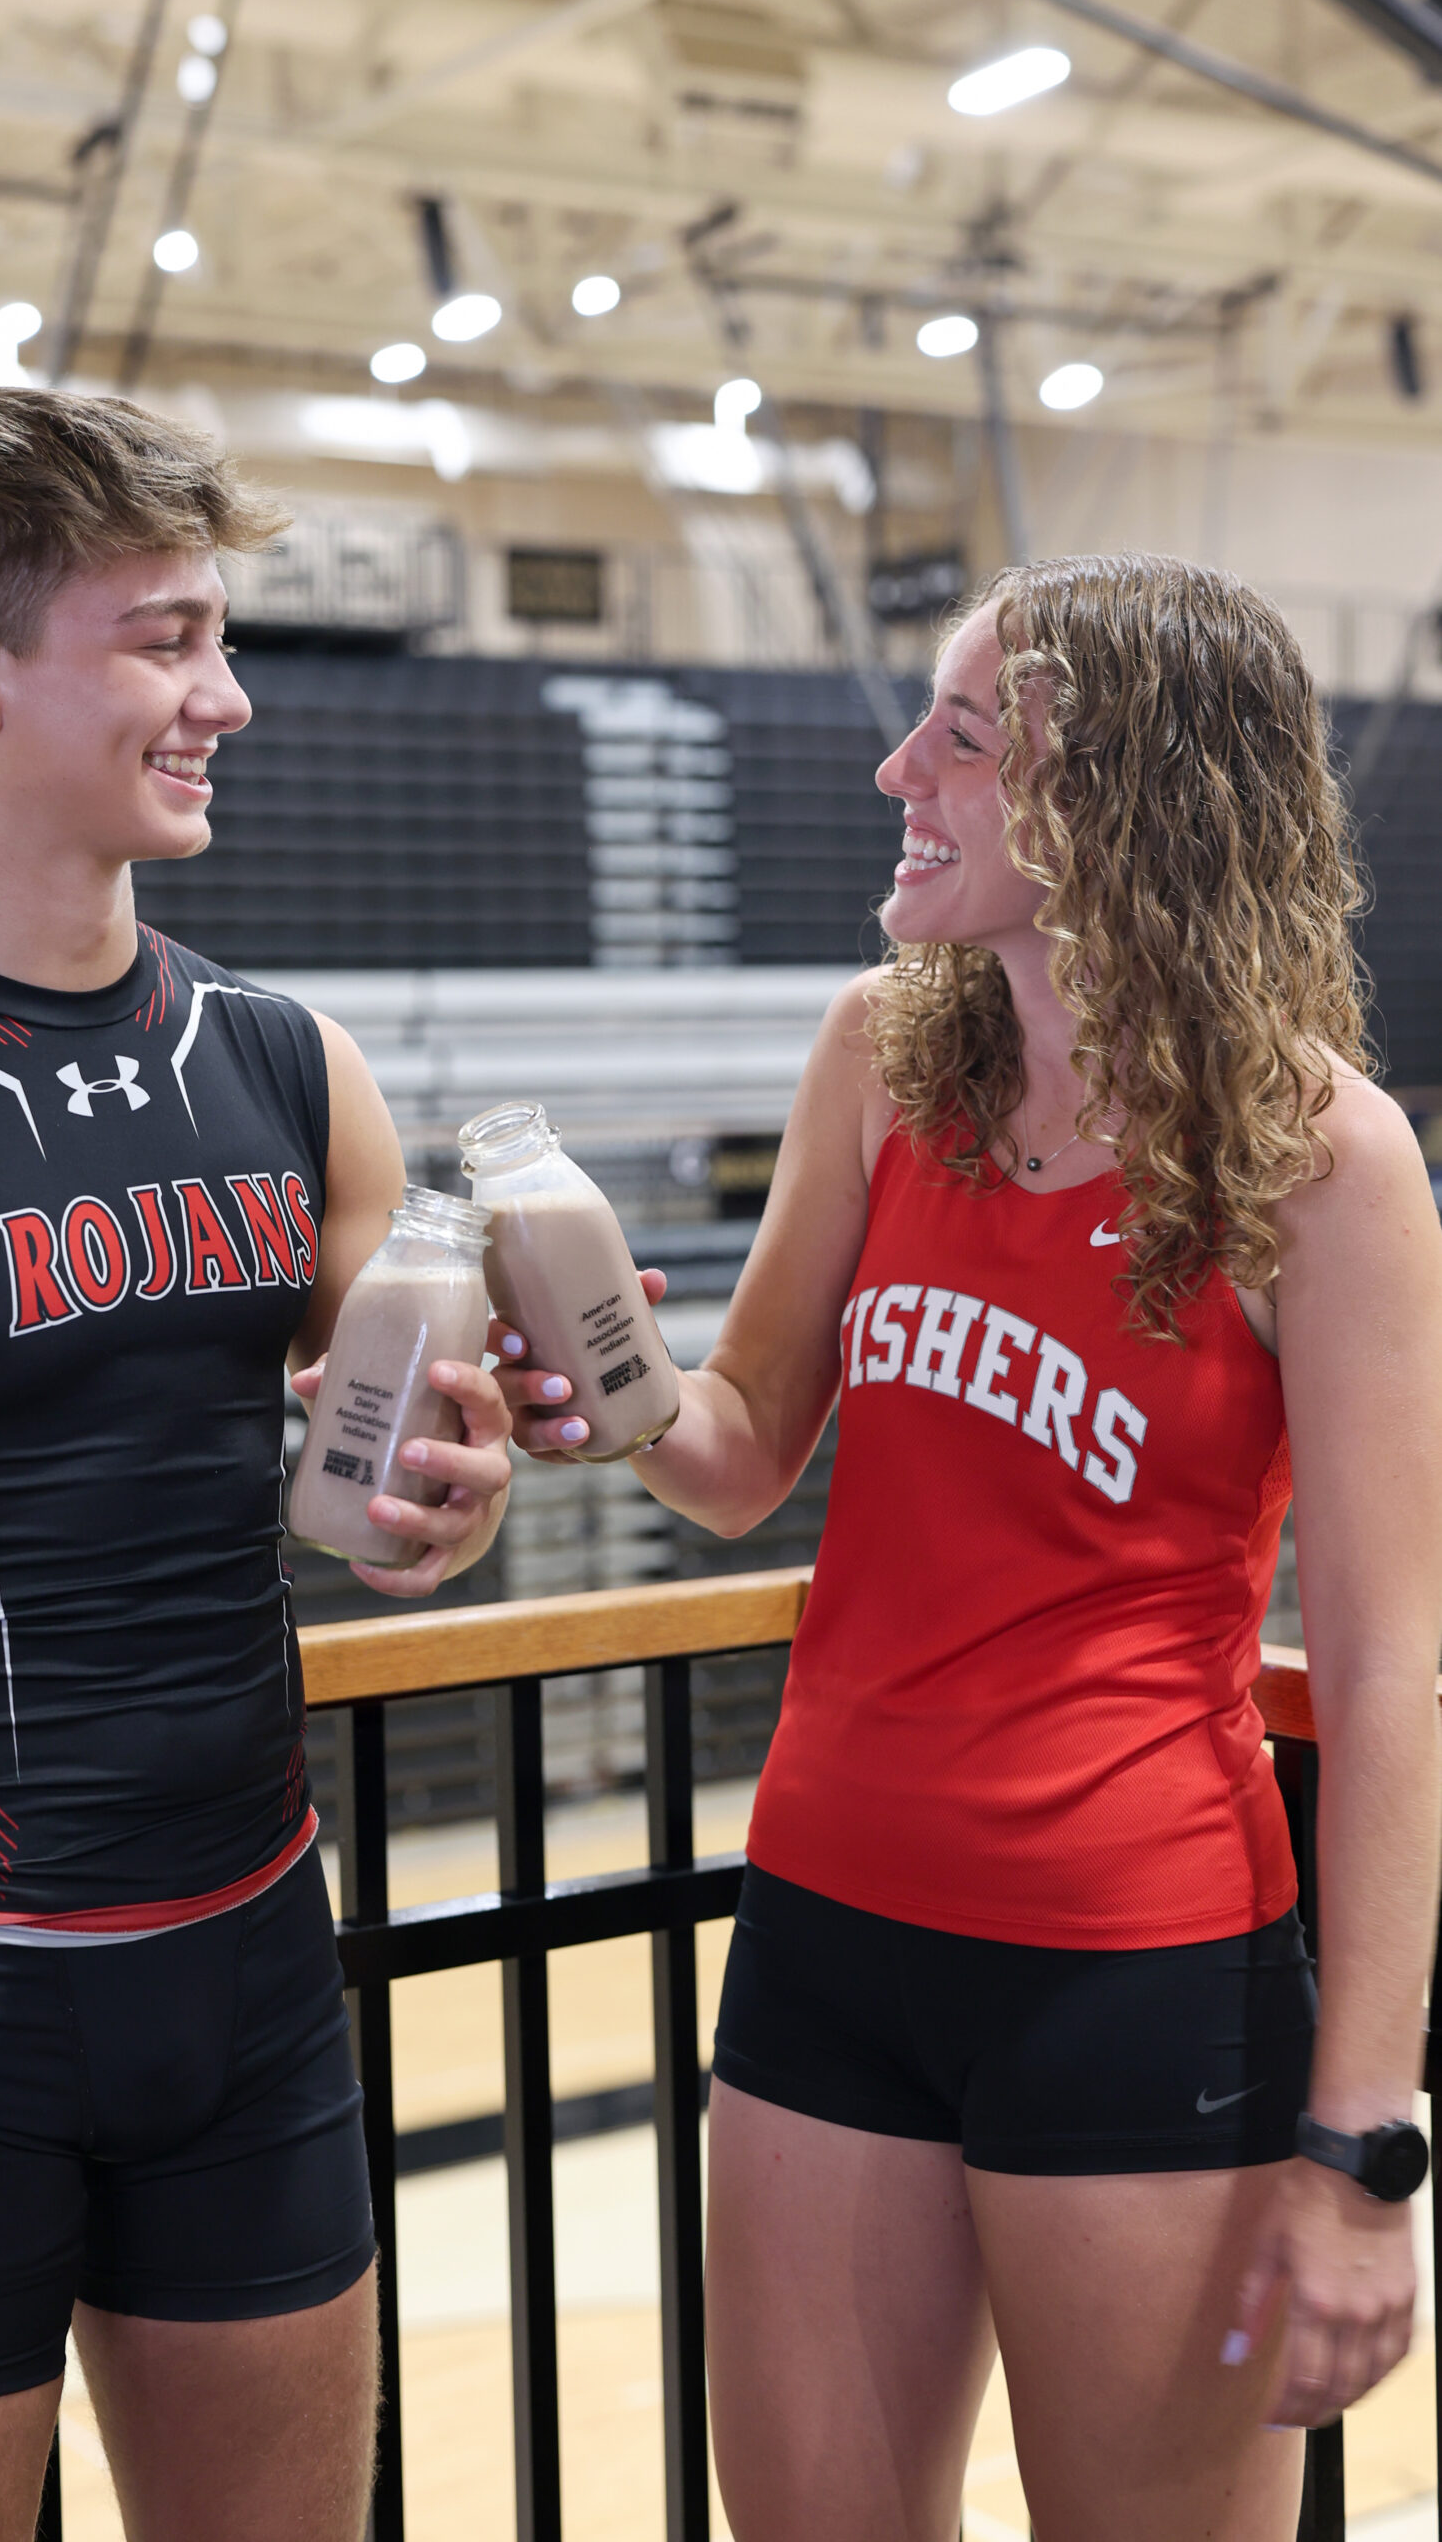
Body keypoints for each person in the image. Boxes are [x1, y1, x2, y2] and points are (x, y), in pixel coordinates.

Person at [500, 554, 1442, 2541]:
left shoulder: (1326, 1161)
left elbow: (1379, 1676)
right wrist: (603, 1373)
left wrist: (1366, 2143)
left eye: (961, 736)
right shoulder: (882, 1054)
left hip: (1137, 1965)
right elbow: (737, 1452)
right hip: (828, 1932)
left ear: (1118, 792)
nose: (895, 770)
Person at [0, 387, 513, 2539]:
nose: (225, 698)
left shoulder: (288, 1062)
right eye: (165, 642)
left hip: (253, 1977)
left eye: (218, 638)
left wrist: (450, 1488)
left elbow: (395, 1451)